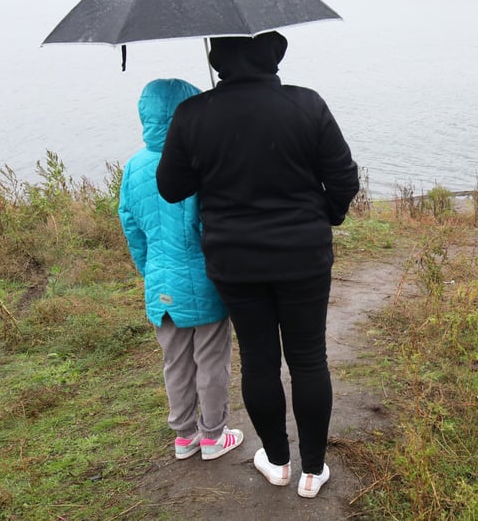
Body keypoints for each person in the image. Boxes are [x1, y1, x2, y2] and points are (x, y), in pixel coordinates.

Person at [156, 32, 360, 499]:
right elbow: (344, 179)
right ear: (273, 56)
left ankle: (278, 462)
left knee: (259, 360)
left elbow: (171, 187)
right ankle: (313, 470)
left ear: (217, 58)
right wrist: (324, 215)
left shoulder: (193, 114)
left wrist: (199, 148)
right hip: (303, 255)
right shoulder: (307, 105)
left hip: (235, 260)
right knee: (309, 358)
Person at [118, 78, 243, 463]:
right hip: (204, 282)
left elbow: (132, 227)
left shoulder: (134, 166)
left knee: (174, 361)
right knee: (211, 360)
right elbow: (213, 228)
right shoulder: (198, 163)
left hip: (159, 284)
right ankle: (212, 435)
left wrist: (149, 271)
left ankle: (184, 435)